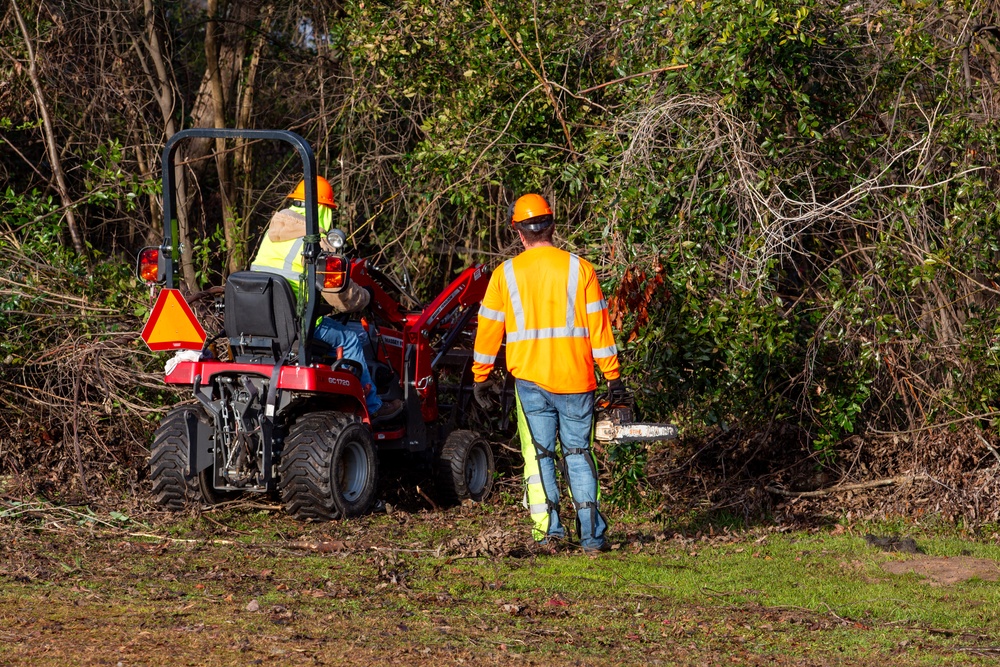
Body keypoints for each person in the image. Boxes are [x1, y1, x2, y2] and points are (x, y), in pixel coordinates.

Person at [471, 193, 628, 552]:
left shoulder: (504, 275)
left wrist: (481, 378)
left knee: (541, 455)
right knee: (578, 454)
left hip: (529, 382)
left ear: (519, 232)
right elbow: (600, 330)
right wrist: (613, 377)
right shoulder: (580, 269)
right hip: (576, 380)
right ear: (552, 226)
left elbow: (488, 332)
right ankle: (591, 538)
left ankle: (550, 534)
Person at [250, 176, 403, 423]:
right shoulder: (315, 244)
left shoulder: (272, 234)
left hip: (260, 321)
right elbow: (340, 299)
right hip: (296, 325)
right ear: (322, 209)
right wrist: (365, 297)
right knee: (351, 339)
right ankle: (373, 407)